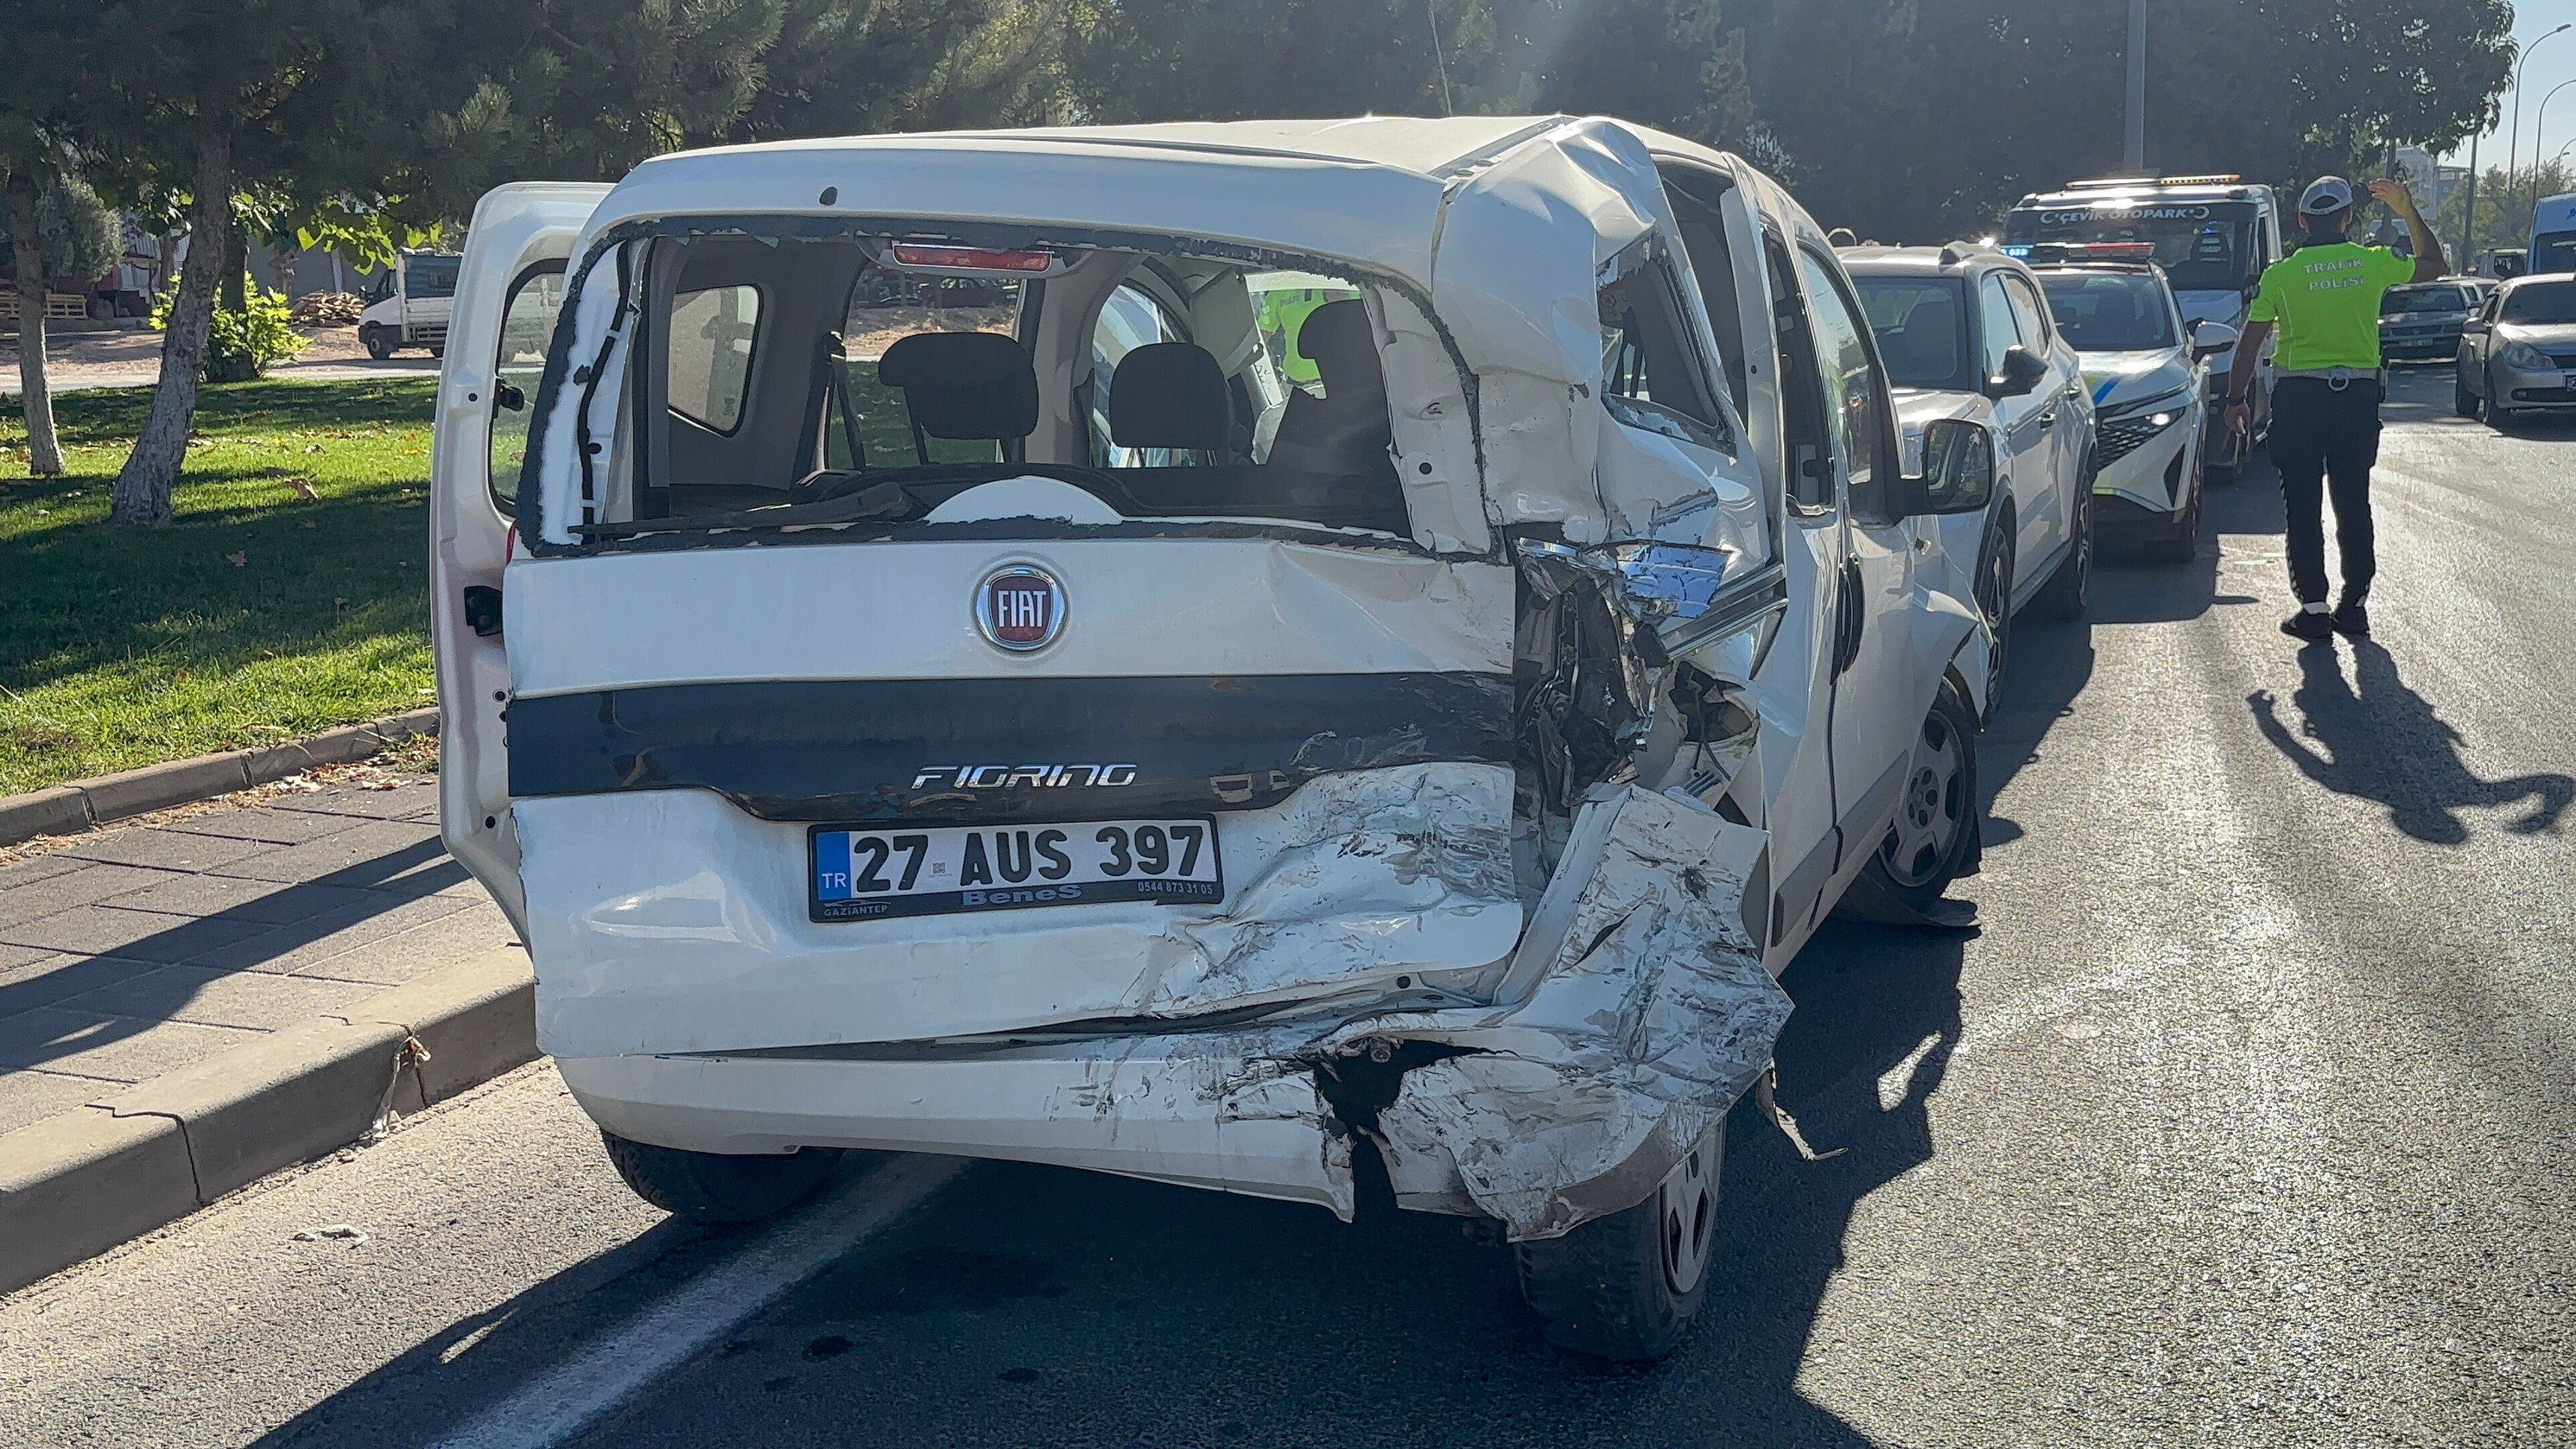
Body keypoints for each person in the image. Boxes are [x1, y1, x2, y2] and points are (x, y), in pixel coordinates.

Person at [2224, 176, 2443, 642]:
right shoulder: (2373, 263)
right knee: (2353, 502)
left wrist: (2235, 400)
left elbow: (2249, 347)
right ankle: (2355, 604)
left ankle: (2314, 608)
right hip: (2356, 400)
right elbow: (2434, 264)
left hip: (2299, 400)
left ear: (2303, 221)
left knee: (2302, 506)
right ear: (2348, 218)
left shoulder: (2280, 275)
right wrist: (2407, 211)